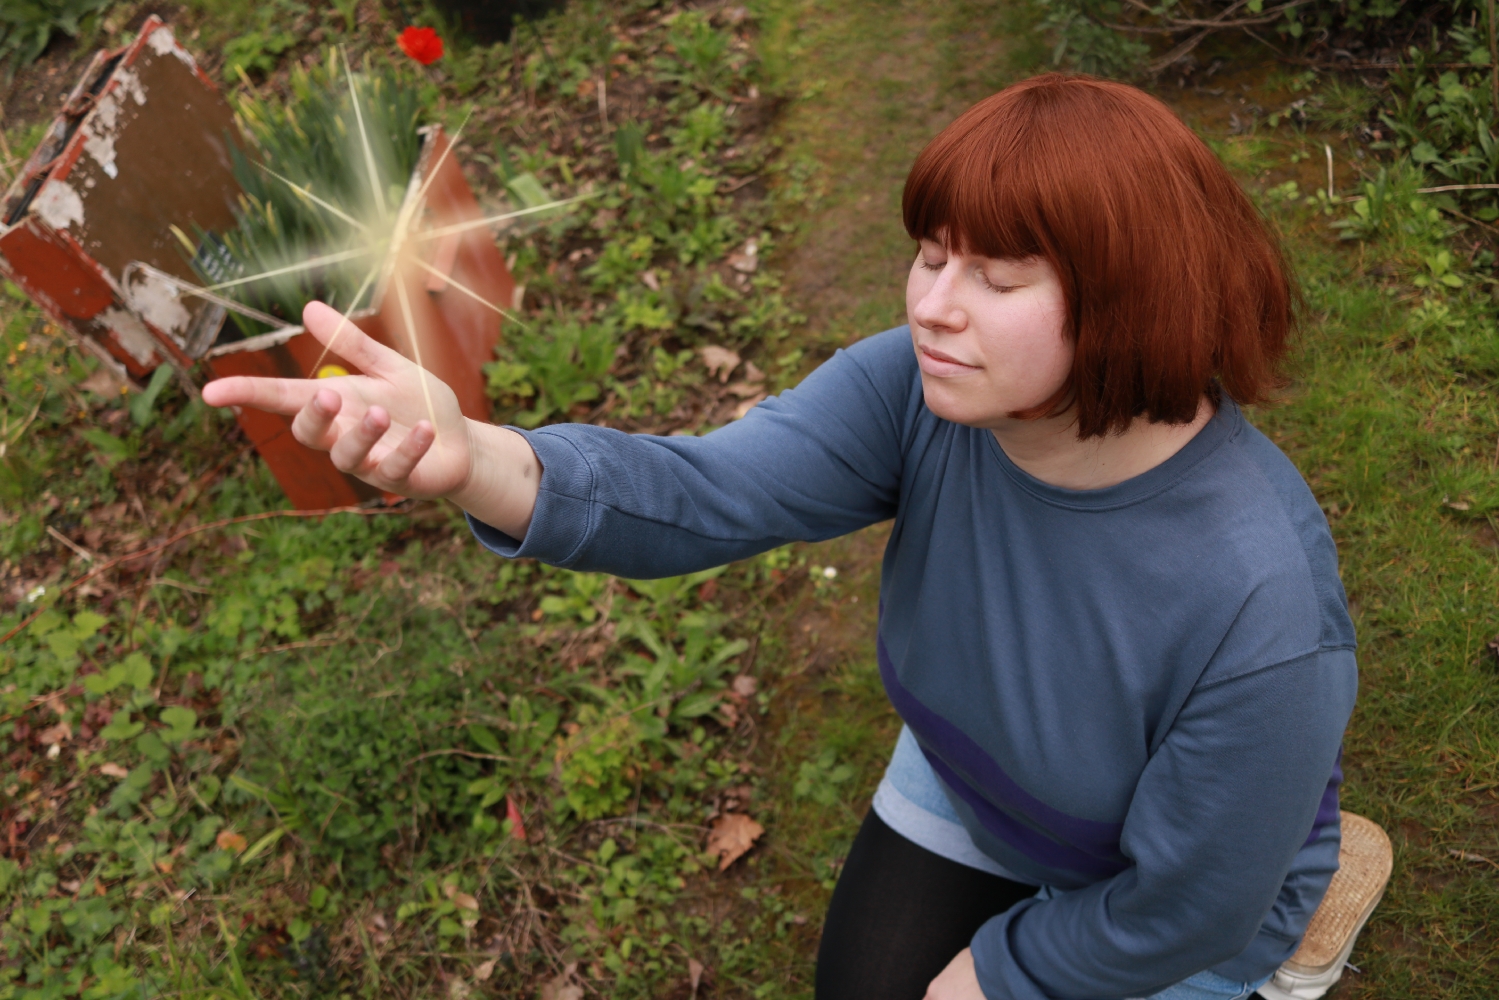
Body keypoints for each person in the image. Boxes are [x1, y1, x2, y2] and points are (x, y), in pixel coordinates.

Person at [202, 74, 1356, 1000]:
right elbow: (705, 491)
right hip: (977, 784)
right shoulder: (918, 388)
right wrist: (477, 458)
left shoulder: (1257, 602)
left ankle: (1307, 897)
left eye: (995, 275)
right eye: (930, 255)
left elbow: (1182, 905)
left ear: (1130, 301)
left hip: (1168, 895)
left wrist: (1004, 971)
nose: (930, 305)